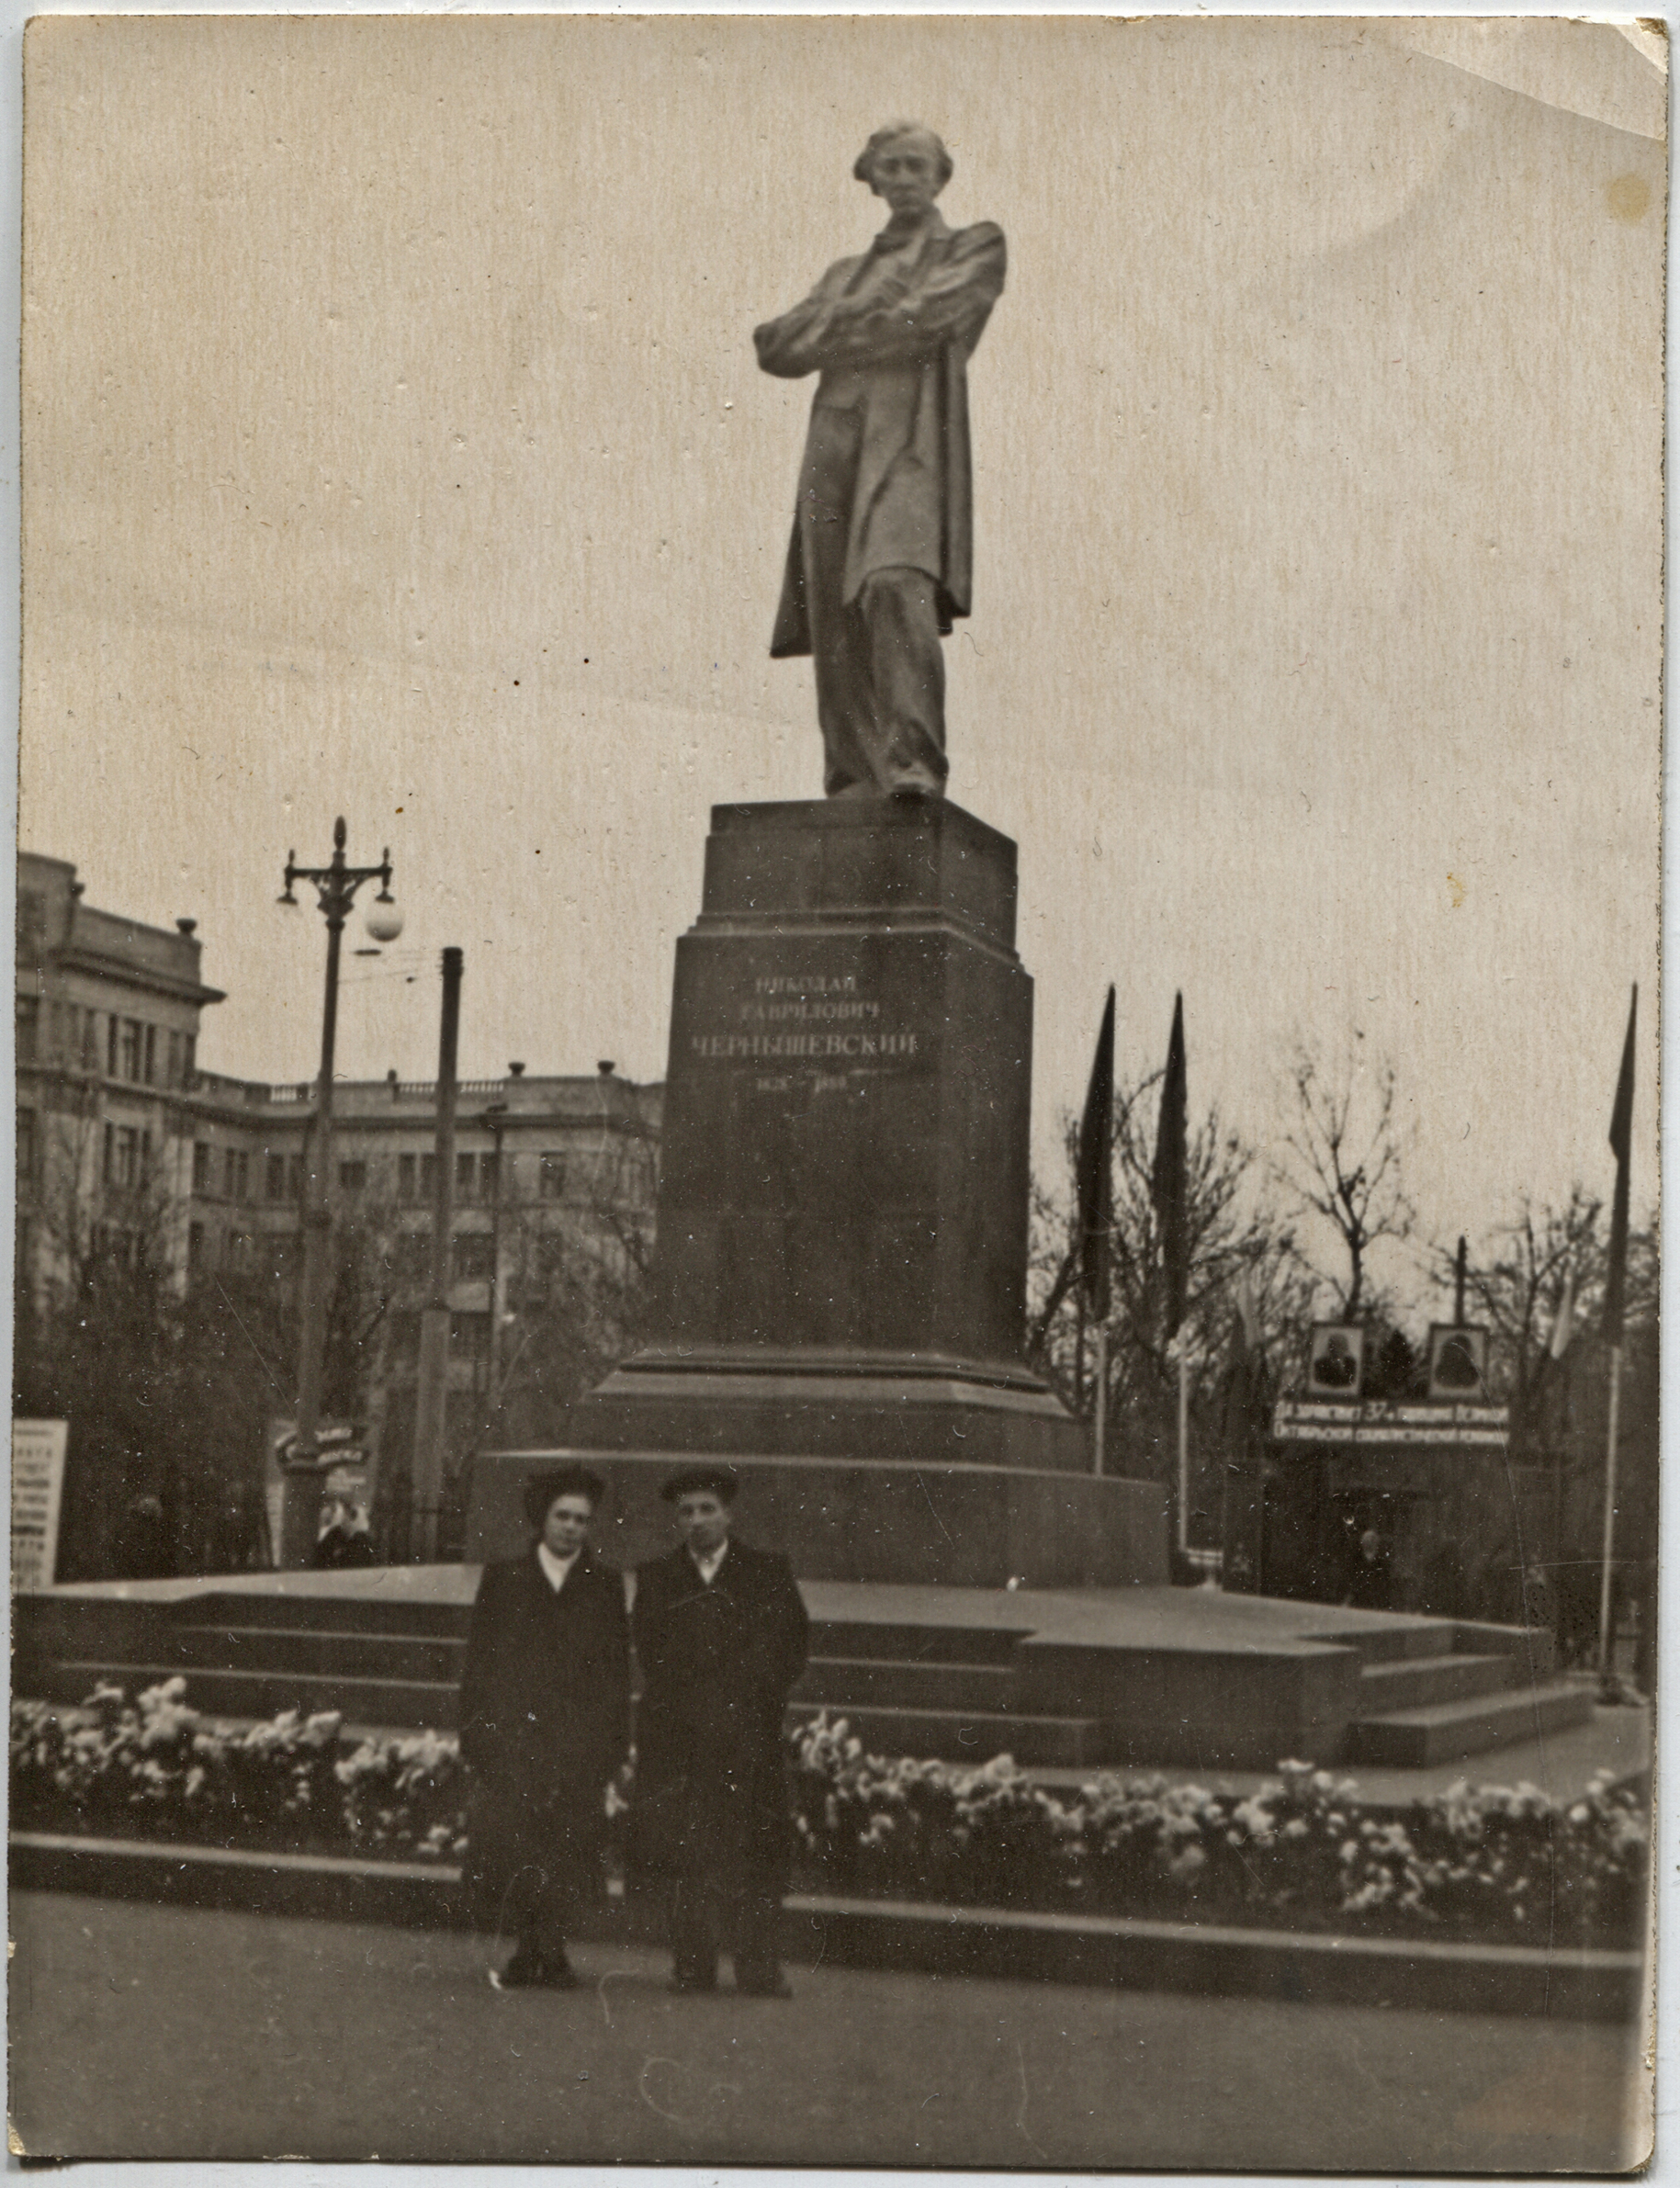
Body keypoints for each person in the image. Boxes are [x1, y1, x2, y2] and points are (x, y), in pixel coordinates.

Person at [754, 123, 1006, 799]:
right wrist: (867, 317)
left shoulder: (974, 244)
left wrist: (838, 328)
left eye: (914, 165)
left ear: (939, 175)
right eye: (888, 167)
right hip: (835, 440)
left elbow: (931, 315)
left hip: (909, 440)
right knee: (835, 613)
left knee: (894, 583)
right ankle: (853, 779)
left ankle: (913, 762)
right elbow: (775, 347)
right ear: (871, 179)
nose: (902, 178)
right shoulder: (843, 272)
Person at [632, 1466, 810, 1997]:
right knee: (689, 1853)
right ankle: (693, 1963)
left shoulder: (767, 1572)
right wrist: (697, 1702)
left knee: (755, 1853)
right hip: (683, 1740)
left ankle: (759, 1966)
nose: (697, 1521)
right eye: (686, 1512)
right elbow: (653, 1652)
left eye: (707, 1509)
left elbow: (788, 1646)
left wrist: (741, 1698)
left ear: (728, 1515)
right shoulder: (658, 1577)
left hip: (746, 1734)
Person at [457, 1464, 630, 1991]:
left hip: (575, 1744)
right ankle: (525, 1948)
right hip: (515, 1740)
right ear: (542, 1518)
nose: (572, 1528)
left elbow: (614, 1673)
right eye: (562, 1516)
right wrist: (480, 1736)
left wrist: (608, 1748)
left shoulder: (602, 1585)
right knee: (517, 1846)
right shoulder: (506, 1577)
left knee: (566, 1848)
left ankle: (550, 1948)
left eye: (582, 1519)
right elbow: (480, 1665)